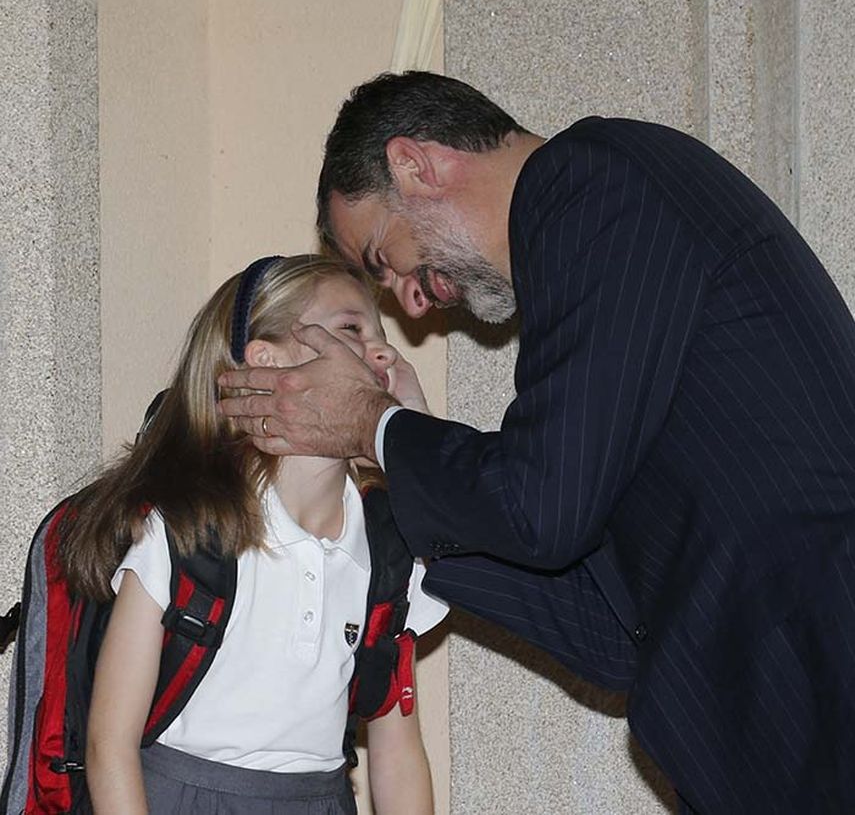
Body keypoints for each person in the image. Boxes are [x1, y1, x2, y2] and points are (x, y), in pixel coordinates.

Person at [218, 72, 855, 814]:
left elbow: (541, 507)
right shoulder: (582, 248)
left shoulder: (592, 187)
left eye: (382, 261)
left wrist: (373, 425)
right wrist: (399, 468)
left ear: (414, 165)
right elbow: (611, 630)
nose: (411, 300)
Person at [67, 254, 446, 814]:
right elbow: (109, 745)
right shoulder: (190, 530)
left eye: (380, 335)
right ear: (268, 365)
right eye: (351, 330)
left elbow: (397, 751)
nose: (382, 350)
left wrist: (424, 456)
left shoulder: (389, 547)